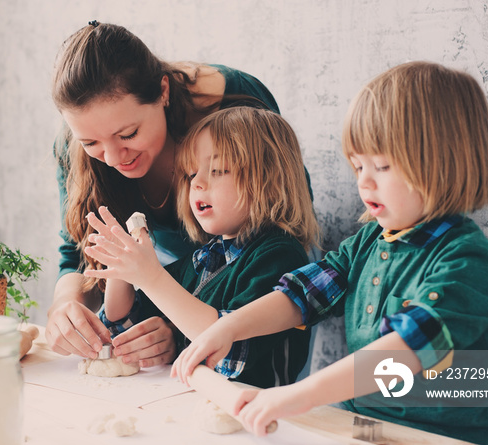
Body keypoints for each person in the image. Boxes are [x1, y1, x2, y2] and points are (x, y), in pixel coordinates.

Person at [171, 61, 488, 445]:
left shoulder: (466, 261)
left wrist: (299, 395)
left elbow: (408, 350)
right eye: (357, 166)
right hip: (370, 428)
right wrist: (228, 328)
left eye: (382, 166)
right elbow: (301, 296)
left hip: (452, 443)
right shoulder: (369, 241)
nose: (363, 181)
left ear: (445, 160)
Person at [46, 21, 318, 367]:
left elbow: (285, 223)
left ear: (163, 92)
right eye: (91, 143)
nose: (113, 158)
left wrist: (171, 315)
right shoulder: (195, 265)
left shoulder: (236, 107)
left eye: (128, 133)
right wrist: (65, 305)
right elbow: (81, 256)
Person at [83, 107, 320, 388]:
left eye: (218, 170)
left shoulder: (279, 255)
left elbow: (226, 352)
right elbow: (124, 325)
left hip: (255, 414)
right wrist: (122, 269)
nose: (197, 183)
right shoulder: (205, 258)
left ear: (270, 182)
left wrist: (152, 278)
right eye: (191, 173)